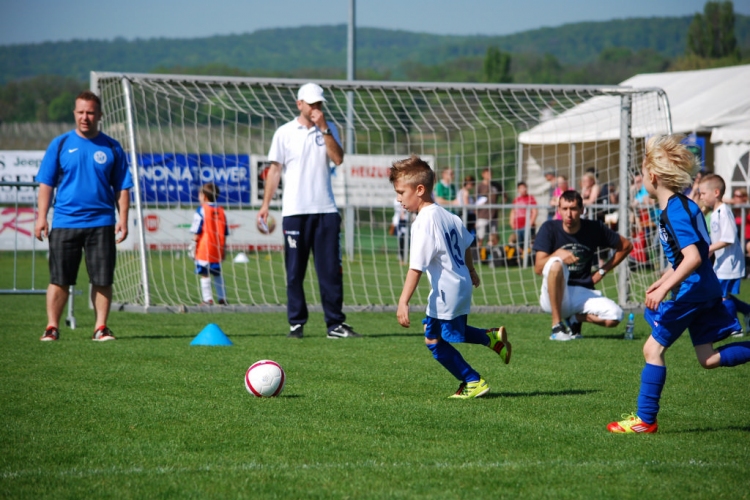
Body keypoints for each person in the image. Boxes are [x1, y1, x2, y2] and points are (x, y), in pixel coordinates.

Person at [607, 134, 750, 434]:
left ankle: (645, 420)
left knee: (652, 349)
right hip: (703, 288)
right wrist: (662, 280)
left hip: (694, 291)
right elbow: (688, 254)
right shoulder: (681, 205)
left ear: (654, 176)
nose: (641, 179)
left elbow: (694, 257)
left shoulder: (674, 210)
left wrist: (663, 289)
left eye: (643, 174)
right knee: (707, 358)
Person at [390, 155, 511, 399]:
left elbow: (416, 267)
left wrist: (403, 301)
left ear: (420, 189)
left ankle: (472, 380)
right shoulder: (449, 216)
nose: (398, 198)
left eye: (402, 192)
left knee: (434, 341)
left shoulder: (424, 221)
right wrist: (472, 270)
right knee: (448, 333)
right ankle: (491, 337)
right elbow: (467, 242)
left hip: (447, 288)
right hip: (460, 283)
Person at [257, 82, 360, 339]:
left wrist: (324, 129)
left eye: (319, 104)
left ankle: (335, 325)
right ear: (299, 104)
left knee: (330, 272)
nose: (316, 108)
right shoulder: (284, 132)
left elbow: (338, 159)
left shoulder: (329, 129)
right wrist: (265, 204)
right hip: (294, 211)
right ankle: (296, 323)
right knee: (294, 272)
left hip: (325, 210)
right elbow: (275, 171)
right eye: (311, 103)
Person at [35, 90, 133, 342]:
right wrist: (41, 217)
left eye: (90, 112)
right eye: (80, 112)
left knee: (102, 279)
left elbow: (122, 186)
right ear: (74, 114)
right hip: (65, 222)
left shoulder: (112, 146)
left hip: (102, 224)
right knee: (59, 279)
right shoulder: (60, 144)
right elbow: (46, 184)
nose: (85, 117)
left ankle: (100, 328)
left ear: (99, 115)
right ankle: (52, 327)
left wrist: (123, 218)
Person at [532, 190, 632, 341]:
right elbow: (538, 268)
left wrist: (601, 272)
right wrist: (557, 253)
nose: (569, 214)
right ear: (559, 210)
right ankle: (557, 327)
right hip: (553, 295)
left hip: (581, 292)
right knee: (556, 264)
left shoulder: (594, 228)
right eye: (565, 209)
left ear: (582, 210)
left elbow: (626, 246)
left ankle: (575, 319)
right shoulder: (549, 228)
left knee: (615, 316)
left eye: (573, 209)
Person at [699, 174, 750, 336]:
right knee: (720, 293)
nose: (701, 197)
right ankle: (747, 311)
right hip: (721, 262)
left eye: (703, 193)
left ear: (715, 192)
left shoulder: (724, 212)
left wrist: (709, 249)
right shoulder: (714, 213)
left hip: (730, 262)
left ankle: (735, 328)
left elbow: (728, 238)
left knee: (722, 295)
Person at [190, 183, 229, 306]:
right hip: (218, 247)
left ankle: (207, 299)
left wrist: (192, 244)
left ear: (204, 196)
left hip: (204, 247)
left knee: (204, 273)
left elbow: (197, 230)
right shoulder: (221, 211)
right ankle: (222, 298)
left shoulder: (202, 209)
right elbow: (225, 231)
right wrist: (223, 249)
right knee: (217, 273)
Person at [475, 168, 499, 251]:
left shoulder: (496, 185)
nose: (489, 175)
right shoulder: (479, 186)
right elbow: (476, 201)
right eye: (487, 173)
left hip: (494, 216)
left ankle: (490, 255)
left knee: (493, 237)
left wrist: (498, 206)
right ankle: (479, 255)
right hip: (482, 215)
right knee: (480, 236)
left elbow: (504, 196)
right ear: (483, 174)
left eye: (490, 173)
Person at [509, 181, 538, 246]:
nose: (523, 190)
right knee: (518, 245)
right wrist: (511, 222)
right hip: (517, 227)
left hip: (527, 226)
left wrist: (530, 223)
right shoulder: (516, 200)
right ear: (518, 190)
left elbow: (534, 211)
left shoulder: (531, 198)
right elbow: (513, 212)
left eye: (524, 188)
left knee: (528, 244)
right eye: (521, 188)